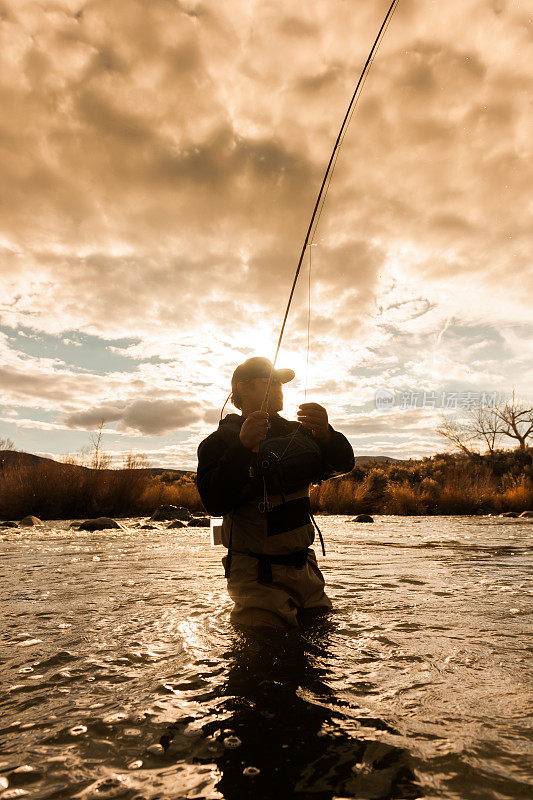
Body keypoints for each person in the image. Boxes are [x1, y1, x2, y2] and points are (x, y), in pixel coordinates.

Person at [197, 356, 355, 629]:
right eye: (271, 382)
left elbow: (343, 465)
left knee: (321, 655)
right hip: (256, 579)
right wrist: (242, 448)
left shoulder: (300, 433)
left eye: (282, 383)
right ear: (244, 388)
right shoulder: (219, 442)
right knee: (263, 659)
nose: (281, 388)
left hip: (306, 571)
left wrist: (327, 435)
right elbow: (214, 502)